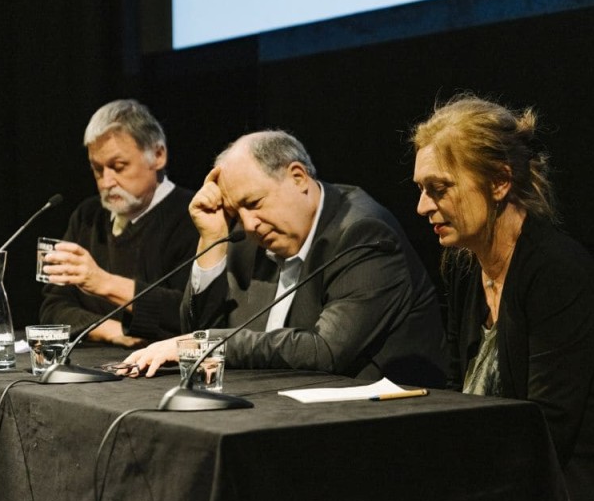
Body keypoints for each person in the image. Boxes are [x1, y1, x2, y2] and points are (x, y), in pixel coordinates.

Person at [411, 94, 594, 501]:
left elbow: (548, 427)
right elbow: (458, 389)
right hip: (507, 472)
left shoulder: (556, 272)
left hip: (589, 491)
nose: (422, 206)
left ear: (499, 181)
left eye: (438, 189)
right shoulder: (463, 265)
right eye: (420, 190)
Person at [123, 130, 447, 386]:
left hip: (381, 424)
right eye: (238, 211)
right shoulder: (250, 235)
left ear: (298, 178)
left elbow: (325, 351)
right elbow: (196, 333)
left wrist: (205, 343)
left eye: (255, 202)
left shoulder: (363, 234)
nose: (248, 224)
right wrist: (212, 239)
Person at [38, 99, 198, 346]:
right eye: (98, 169)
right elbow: (53, 309)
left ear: (158, 155)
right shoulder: (87, 217)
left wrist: (103, 283)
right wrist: (113, 331)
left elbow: (191, 313)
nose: (106, 181)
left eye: (118, 166)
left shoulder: (194, 217)